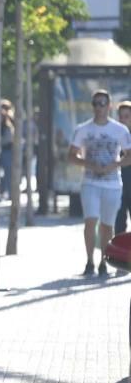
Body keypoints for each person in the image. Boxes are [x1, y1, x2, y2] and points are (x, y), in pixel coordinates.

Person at [68, 90, 131, 276]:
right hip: (90, 182)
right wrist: (88, 163)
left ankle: (105, 261)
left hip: (112, 184)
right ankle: (89, 261)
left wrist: (115, 164)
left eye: (102, 103)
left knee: (107, 225)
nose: (99, 107)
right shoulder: (83, 129)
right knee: (90, 220)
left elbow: (129, 156)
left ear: (109, 106)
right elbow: (72, 155)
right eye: (95, 103)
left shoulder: (120, 130)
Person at [115, 101, 131, 234]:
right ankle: (118, 255)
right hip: (118, 186)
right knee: (119, 225)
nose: (123, 120)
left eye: (126, 116)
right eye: (121, 116)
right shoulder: (113, 135)